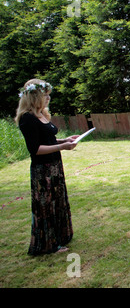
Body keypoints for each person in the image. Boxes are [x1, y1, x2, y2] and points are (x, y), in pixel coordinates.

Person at [15, 79, 78, 255]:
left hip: (55, 167)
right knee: (46, 208)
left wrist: (65, 140)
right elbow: (35, 149)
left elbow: (48, 140)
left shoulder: (42, 115)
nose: (48, 99)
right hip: (43, 171)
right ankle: (48, 245)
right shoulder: (27, 119)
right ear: (34, 96)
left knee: (58, 203)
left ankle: (61, 237)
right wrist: (61, 147)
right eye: (45, 95)